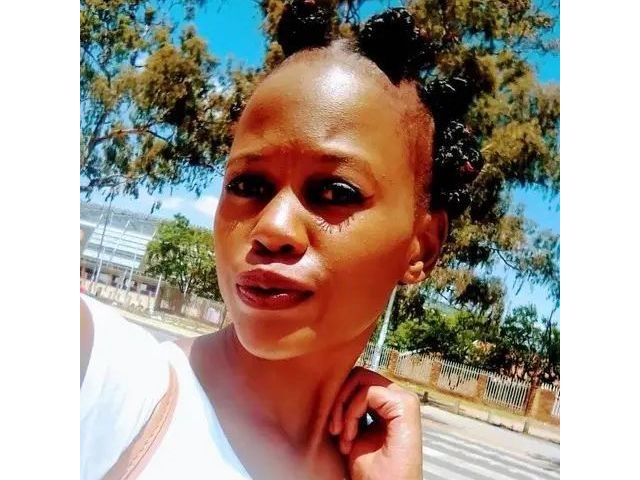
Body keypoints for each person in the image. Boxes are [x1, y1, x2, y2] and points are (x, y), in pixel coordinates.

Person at [80, 3, 486, 479]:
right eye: (248, 185)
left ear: (422, 246)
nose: (272, 228)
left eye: (335, 192)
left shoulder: (378, 469)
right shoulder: (110, 380)